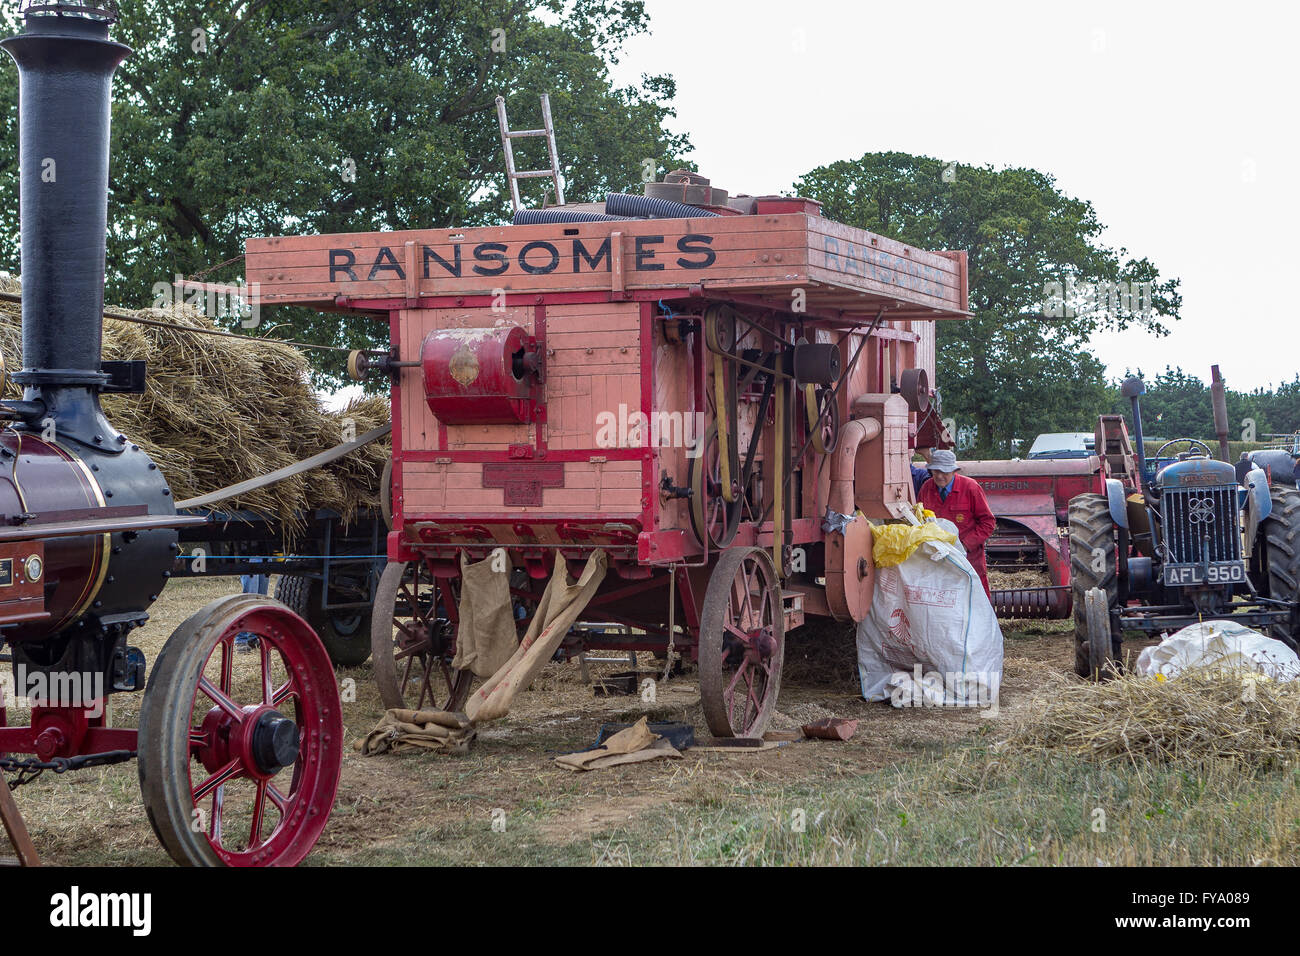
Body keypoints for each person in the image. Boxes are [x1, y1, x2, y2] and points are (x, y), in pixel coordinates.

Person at [918, 449, 997, 600]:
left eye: (944, 472)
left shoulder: (971, 488)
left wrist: (965, 545)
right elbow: (920, 521)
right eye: (936, 472)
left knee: (976, 598)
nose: (940, 476)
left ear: (954, 470)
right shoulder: (926, 488)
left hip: (969, 558)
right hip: (938, 559)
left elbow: (988, 522)